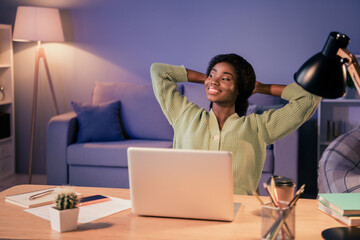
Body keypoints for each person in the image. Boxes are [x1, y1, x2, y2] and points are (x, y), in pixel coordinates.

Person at [150, 53, 321, 195]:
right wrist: (209, 80)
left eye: (225, 78)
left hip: (238, 214)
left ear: (239, 88)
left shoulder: (258, 128)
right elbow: (159, 71)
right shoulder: (185, 116)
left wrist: (261, 87)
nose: (214, 81)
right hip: (186, 208)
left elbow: (309, 98)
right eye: (212, 74)